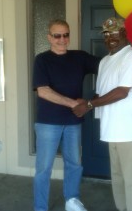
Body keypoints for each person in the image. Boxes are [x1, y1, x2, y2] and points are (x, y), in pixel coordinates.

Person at [73, 17, 132, 211]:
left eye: (114, 32)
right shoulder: (105, 61)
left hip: (131, 132)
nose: (110, 38)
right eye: (106, 34)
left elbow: (122, 92)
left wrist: (89, 105)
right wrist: (84, 102)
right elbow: (103, 92)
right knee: (117, 179)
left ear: (124, 33)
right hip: (112, 130)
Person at [33, 19, 100, 211]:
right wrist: (77, 104)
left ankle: (71, 201)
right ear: (49, 37)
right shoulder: (42, 60)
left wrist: (96, 98)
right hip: (48, 122)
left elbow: (107, 66)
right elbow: (43, 91)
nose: (62, 39)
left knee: (74, 164)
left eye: (66, 34)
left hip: (73, 122)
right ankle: (40, 207)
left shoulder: (79, 57)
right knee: (43, 169)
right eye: (57, 35)